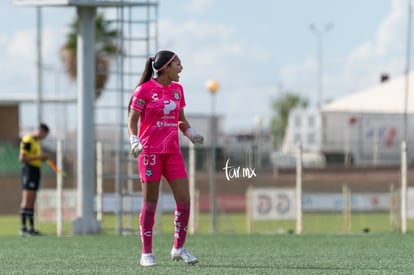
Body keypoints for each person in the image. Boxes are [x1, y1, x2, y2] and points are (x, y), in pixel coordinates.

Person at [128, 50, 204, 267]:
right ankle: (146, 253)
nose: (181, 68)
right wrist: (134, 140)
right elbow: (132, 121)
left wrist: (191, 134)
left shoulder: (178, 90)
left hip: (173, 153)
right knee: (150, 203)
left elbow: (181, 121)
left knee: (184, 201)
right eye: (178, 64)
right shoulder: (143, 90)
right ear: (166, 67)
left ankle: (178, 248)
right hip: (150, 153)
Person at [19, 123, 50, 236]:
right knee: (27, 199)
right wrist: (39, 157)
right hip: (29, 170)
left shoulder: (36, 143)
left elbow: (35, 158)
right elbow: (22, 158)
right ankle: (23, 228)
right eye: (44, 135)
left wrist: (42, 159)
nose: (44, 137)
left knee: (32, 200)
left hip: (36, 170)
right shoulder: (28, 140)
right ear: (40, 131)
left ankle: (31, 228)